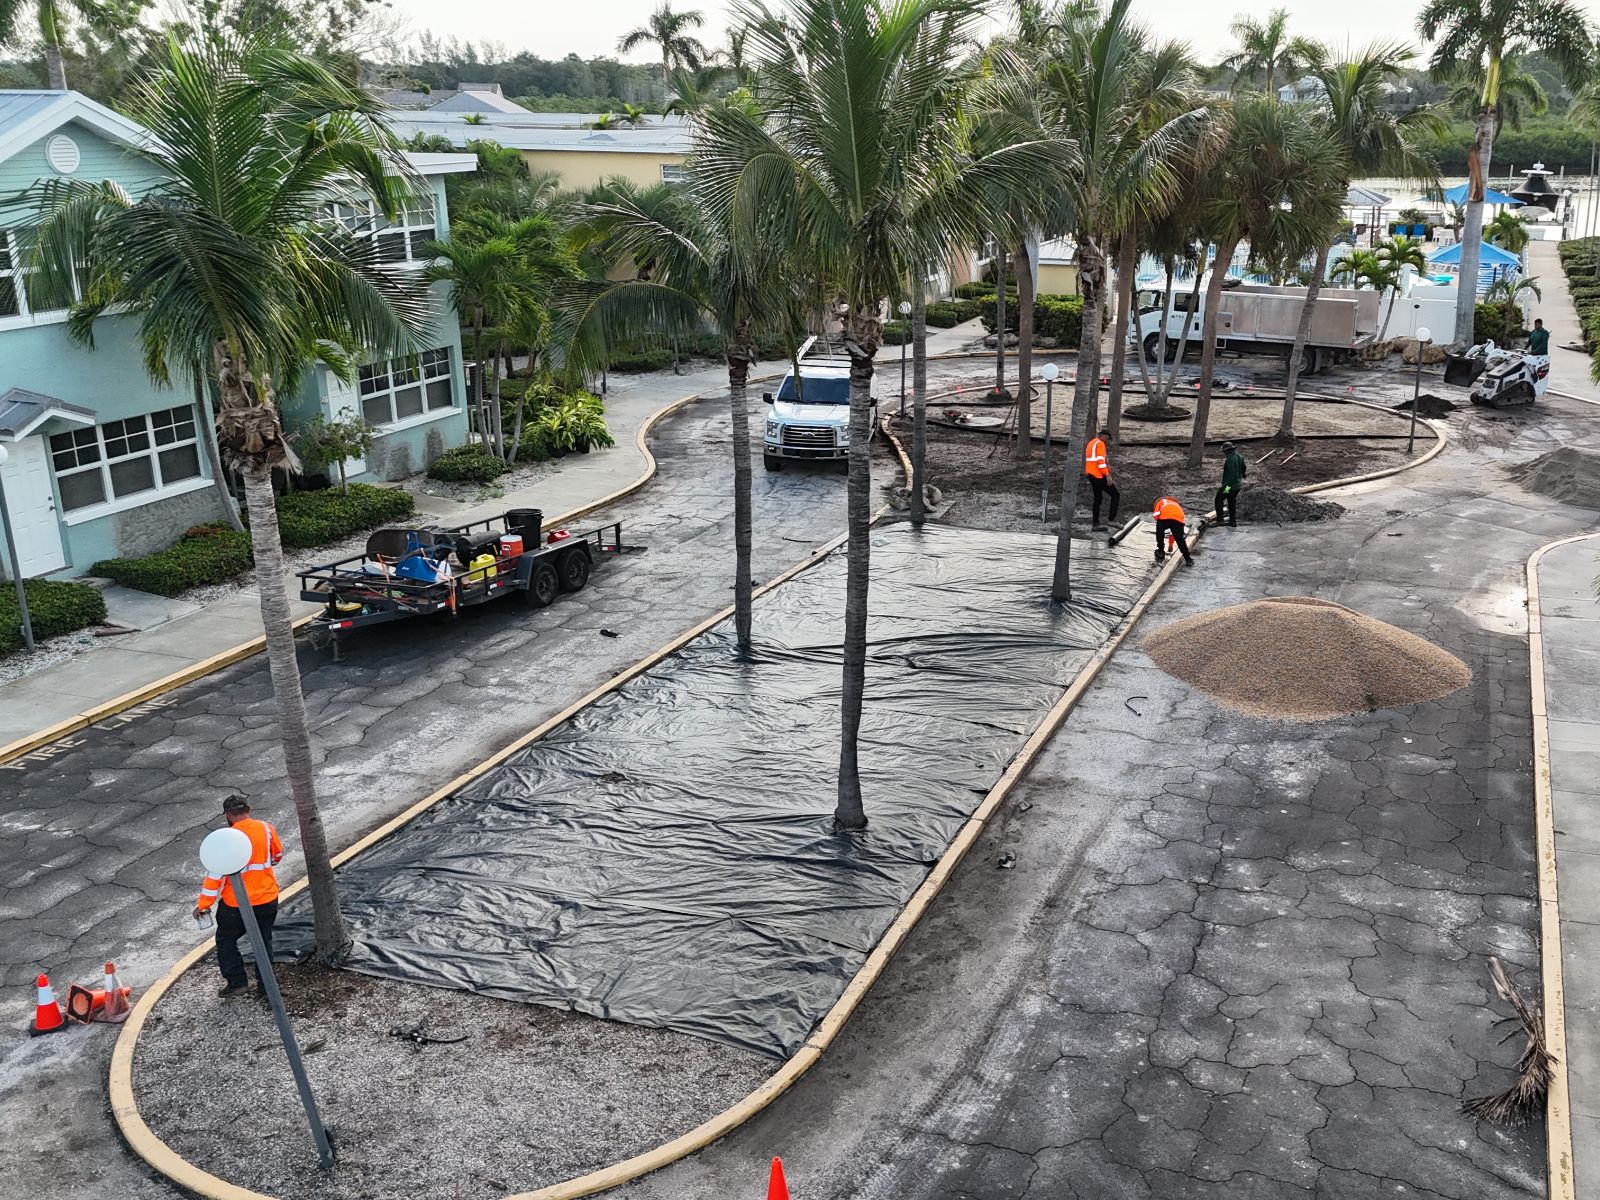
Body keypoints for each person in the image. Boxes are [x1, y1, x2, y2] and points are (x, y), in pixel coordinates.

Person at [193, 794, 284, 997]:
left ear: (228, 815)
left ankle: (237, 983)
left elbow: (214, 877)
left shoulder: (226, 839)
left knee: (226, 940)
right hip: (267, 898)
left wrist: (203, 905)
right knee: (263, 940)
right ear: (248, 810)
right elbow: (277, 855)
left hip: (236, 906)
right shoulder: (266, 828)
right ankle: (266, 986)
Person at [1083, 426, 1120, 531]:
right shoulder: (1100, 444)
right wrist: (1107, 476)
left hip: (1091, 475)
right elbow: (1100, 462)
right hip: (1099, 475)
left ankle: (1095, 524)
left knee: (1098, 499)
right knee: (1115, 495)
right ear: (1103, 436)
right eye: (1107, 439)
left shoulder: (1091, 443)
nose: (1107, 442)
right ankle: (1111, 519)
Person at [1153, 495, 1193, 567]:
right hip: (1178, 520)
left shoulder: (1161, 502)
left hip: (1164, 518)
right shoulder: (1176, 504)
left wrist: (1159, 522)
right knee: (1180, 539)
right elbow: (1182, 515)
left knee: (1159, 533)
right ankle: (1188, 559)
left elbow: (1155, 515)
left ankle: (1161, 551)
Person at [1215, 441, 1247, 528]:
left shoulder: (1230, 459)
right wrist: (1243, 474)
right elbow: (1244, 468)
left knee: (1219, 499)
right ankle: (1233, 521)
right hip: (1238, 485)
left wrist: (1225, 488)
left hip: (1229, 486)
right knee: (1231, 501)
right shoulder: (1239, 456)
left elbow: (1231, 475)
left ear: (1226, 451)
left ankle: (1220, 520)